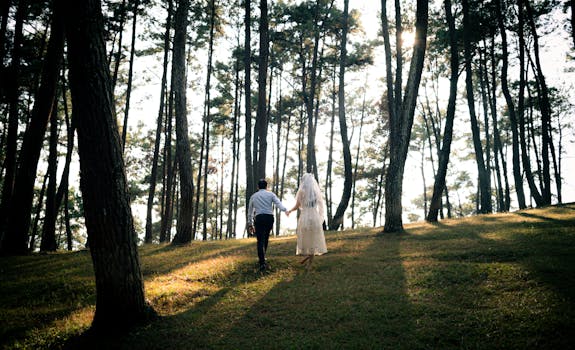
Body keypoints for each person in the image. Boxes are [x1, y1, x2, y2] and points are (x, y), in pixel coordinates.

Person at [286, 173, 327, 270]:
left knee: (306, 239)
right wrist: (321, 216)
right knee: (313, 239)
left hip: (305, 217)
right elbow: (320, 204)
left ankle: (308, 260)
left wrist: (290, 211)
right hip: (314, 216)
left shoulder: (302, 191)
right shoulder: (315, 192)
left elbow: (297, 205)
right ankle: (309, 263)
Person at [247, 179, 289, 272]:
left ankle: (262, 262)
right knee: (265, 238)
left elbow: (250, 211)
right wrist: (285, 210)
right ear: (266, 186)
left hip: (259, 218)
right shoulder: (271, 194)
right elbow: (278, 203)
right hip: (269, 218)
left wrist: (250, 223)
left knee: (260, 240)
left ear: (258, 187)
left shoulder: (254, 196)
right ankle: (263, 257)